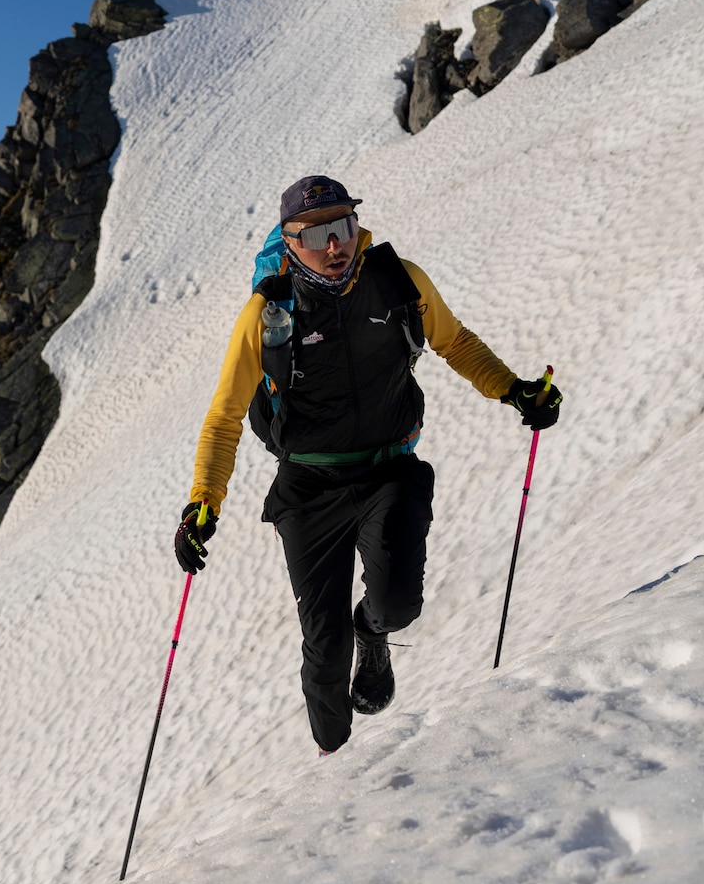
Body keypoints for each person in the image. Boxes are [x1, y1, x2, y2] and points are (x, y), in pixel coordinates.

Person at [174, 175, 561, 754]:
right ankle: (337, 767)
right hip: (307, 486)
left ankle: (372, 632)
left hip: (389, 470)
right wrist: (203, 503)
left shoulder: (397, 281)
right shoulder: (268, 313)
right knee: (324, 651)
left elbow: (455, 343)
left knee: (397, 604)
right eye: (319, 234)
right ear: (290, 241)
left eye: (345, 226)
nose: (337, 244)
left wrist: (514, 391)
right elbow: (224, 417)